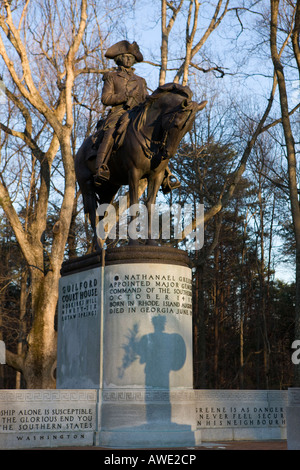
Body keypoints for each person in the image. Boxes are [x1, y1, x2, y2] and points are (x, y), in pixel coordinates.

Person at [94, 40, 180, 193]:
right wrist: (124, 96)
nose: (129, 59)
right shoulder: (112, 77)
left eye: (131, 57)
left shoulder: (140, 80)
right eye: (126, 56)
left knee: (158, 134)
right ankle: (101, 166)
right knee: (112, 131)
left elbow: (146, 99)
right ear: (119, 58)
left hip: (138, 113)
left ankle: (166, 176)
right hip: (119, 112)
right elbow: (105, 99)